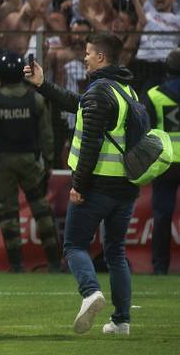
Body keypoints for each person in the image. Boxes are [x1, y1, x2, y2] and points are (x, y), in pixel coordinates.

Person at [25, 33, 139, 335]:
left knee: (74, 245)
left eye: (88, 53)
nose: (84, 57)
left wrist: (78, 183)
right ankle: (121, 321)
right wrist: (42, 84)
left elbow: (90, 142)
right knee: (116, 253)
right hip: (126, 187)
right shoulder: (126, 91)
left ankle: (90, 293)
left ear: (101, 57)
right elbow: (78, 104)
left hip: (97, 185)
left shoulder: (99, 92)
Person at [0, 52, 61, 273]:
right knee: (41, 210)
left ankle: (16, 265)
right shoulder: (36, 99)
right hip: (31, 161)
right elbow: (47, 134)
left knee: (8, 214)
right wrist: (49, 161)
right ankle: (54, 262)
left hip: (3, 164)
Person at [144, 49, 180, 275]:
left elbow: (144, 130)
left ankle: (160, 267)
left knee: (162, 216)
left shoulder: (154, 94)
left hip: (165, 162)